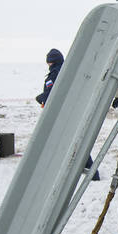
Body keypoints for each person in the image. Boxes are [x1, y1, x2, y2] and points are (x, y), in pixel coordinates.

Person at [35, 47, 100, 180]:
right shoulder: (68, 71)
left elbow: (52, 94)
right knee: (75, 140)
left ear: (51, 62)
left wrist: (41, 98)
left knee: (66, 141)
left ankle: (91, 171)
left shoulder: (54, 73)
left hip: (60, 114)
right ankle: (91, 171)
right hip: (70, 111)